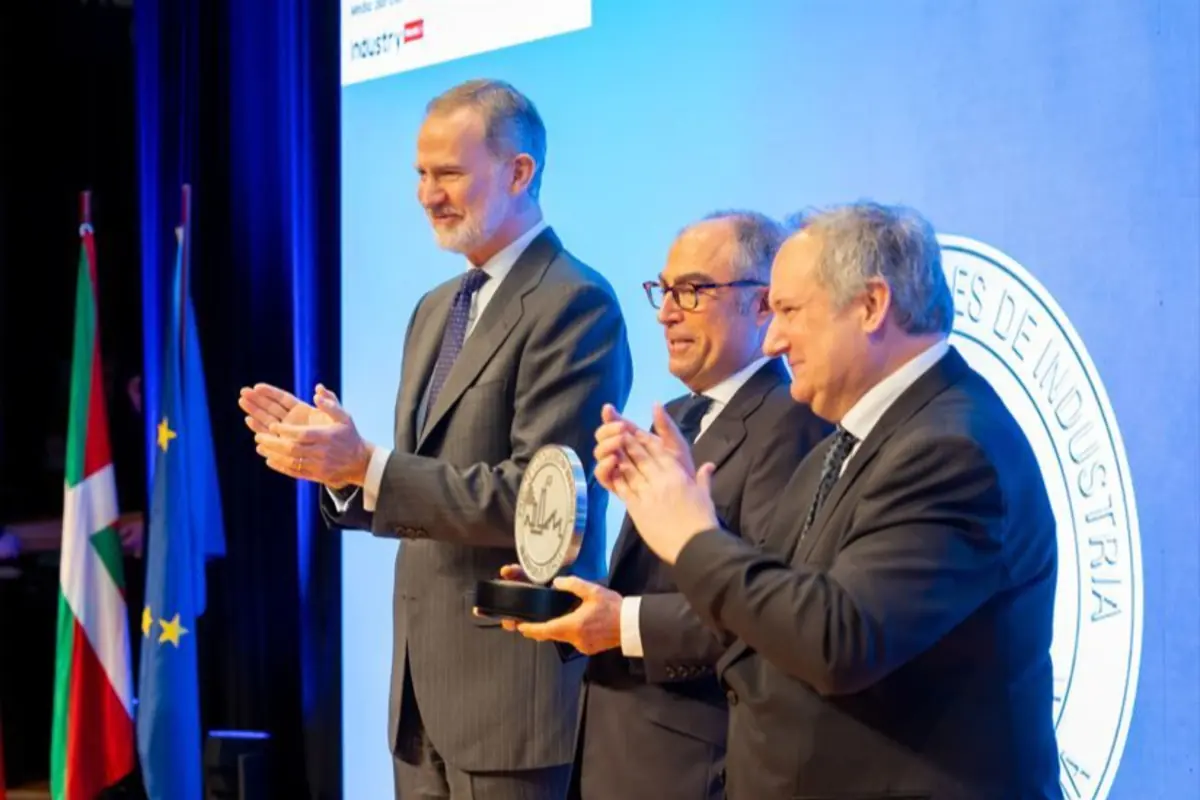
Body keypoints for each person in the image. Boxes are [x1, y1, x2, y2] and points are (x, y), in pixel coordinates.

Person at [240, 79, 633, 800]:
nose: (428, 194)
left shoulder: (574, 303)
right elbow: (420, 486)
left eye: (449, 173)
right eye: (420, 174)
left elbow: (537, 502)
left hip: (512, 699)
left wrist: (370, 464)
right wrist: (340, 471)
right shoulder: (434, 309)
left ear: (520, 173)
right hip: (420, 701)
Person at [595, 201, 1062, 799]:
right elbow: (776, 614)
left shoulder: (951, 449)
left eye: (789, 310)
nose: (774, 340)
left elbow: (839, 639)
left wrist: (692, 536)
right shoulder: (846, 443)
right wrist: (696, 511)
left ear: (871, 305)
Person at [503, 211, 830, 799]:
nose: (666, 312)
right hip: (615, 752)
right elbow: (657, 581)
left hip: (696, 765)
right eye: (663, 289)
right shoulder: (677, 417)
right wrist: (570, 594)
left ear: (763, 305)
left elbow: (766, 612)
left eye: (693, 291)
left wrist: (620, 625)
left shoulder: (794, 423)